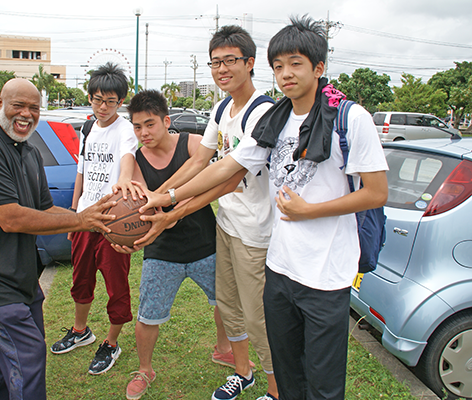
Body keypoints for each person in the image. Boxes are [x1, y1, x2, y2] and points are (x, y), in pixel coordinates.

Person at [136, 15, 389, 400]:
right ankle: (262, 381)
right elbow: (225, 165)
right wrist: (165, 196)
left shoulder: (349, 118)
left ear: (319, 68)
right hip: (280, 264)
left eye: (296, 64)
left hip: (324, 273)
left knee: (322, 378)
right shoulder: (276, 119)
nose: (286, 74)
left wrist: (310, 210)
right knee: (285, 366)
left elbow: (376, 192)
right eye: (279, 66)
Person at [0, 78, 117, 400]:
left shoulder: (30, 151)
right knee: (27, 355)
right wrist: (80, 220)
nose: (26, 114)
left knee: (13, 354)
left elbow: (44, 209)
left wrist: (93, 222)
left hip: (17, 271)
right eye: (18, 106)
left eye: (34, 108)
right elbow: (11, 219)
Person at [130, 25, 278, 400]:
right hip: (227, 226)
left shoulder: (263, 112)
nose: (221, 69)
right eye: (215, 62)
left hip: (255, 232)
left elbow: (226, 176)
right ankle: (242, 373)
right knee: (229, 307)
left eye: (230, 60)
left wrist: (170, 204)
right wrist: (156, 196)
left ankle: (277, 390)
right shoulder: (223, 107)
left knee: (258, 316)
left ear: (250, 62)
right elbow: (200, 158)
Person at [122, 90, 243, 399]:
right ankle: (145, 369)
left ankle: (224, 348)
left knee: (225, 303)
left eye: (149, 124)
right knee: (149, 314)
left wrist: (170, 206)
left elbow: (207, 181)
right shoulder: (135, 160)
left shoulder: (191, 144)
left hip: (205, 242)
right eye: (137, 127)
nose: (144, 133)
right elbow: (139, 209)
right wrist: (127, 234)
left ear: (165, 121)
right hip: (162, 251)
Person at [49, 62, 139, 375]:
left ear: (120, 102)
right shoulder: (87, 128)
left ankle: (112, 343)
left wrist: (123, 183)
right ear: (90, 97)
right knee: (81, 278)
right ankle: (80, 330)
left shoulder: (126, 130)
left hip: (113, 222)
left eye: (111, 101)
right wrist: (75, 216)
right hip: (86, 218)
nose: (103, 106)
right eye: (98, 99)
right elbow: (81, 173)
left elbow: (127, 159)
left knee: (117, 285)